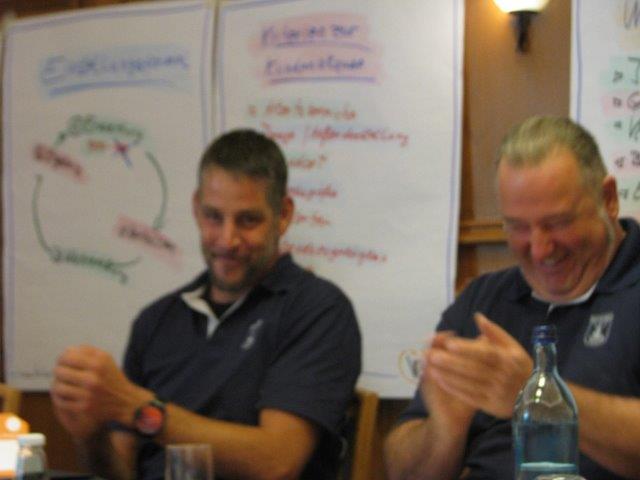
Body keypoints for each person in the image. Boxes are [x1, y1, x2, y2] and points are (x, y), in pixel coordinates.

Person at [51, 129, 362, 480]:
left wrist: (138, 409)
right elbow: (118, 472)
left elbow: (277, 462)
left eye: (248, 220)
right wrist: (90, 434)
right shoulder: (156, 321)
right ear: (196, 209)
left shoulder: (318, 310)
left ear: (283, 214)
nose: (227, 240)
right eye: (214, 216)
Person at [384, 116, 640, 480]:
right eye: (518, 227)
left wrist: (535, 396)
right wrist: (445, 427)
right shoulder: (483, 300)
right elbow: (402, 472)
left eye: (558, 223)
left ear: (608, 199)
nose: (539, 249)